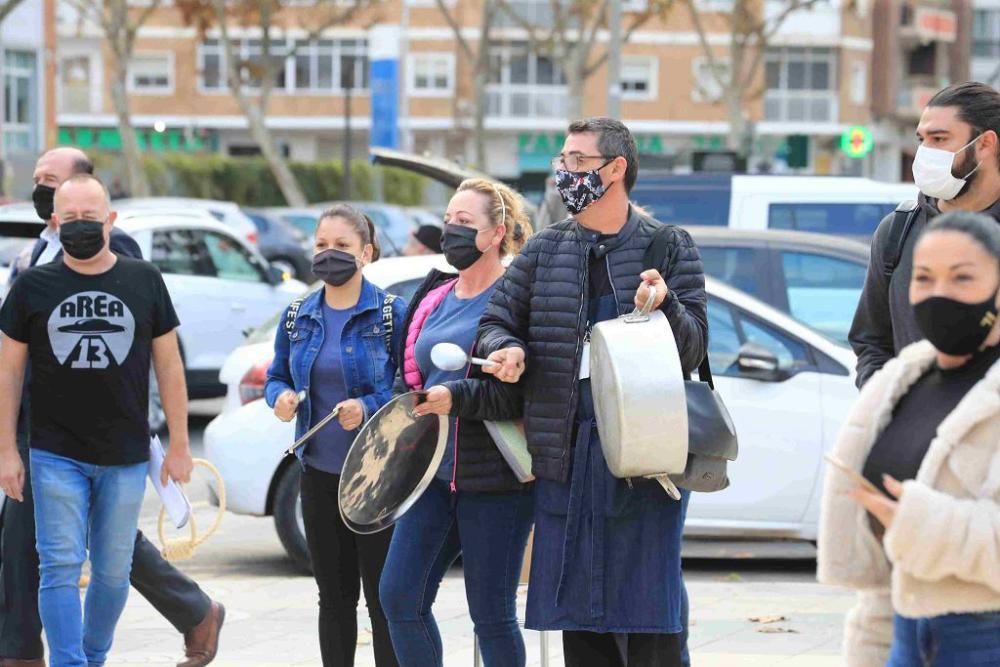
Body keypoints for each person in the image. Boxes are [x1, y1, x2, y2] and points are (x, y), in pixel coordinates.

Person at [476, 118, 708, 667]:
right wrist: (507, 349)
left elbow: (694, 349)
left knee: (651, 614)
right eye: (564, 161)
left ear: (616, 168)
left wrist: (666, 303)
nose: (566, 172)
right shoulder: (546, 249)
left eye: (579, 162)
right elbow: (496, 320)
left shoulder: (667, 245)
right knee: (578, 616)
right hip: (566, 452)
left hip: (646, 458)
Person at [0, 148, 223, 667]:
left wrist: (179, 447)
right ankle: (69, 662)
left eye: (90, 218)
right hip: (52, 452)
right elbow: (9, 372)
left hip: (123, 452)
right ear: (56, 222)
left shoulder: (143, 279)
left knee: (111, 570)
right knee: (56, 566)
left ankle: (92, 656)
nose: (80, 227)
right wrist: (8, 450)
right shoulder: (33, 284)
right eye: (69, 219)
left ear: (111, 220)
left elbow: (169, 367)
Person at [818, 211, 1000, 666]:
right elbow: (885, 569)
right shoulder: (903, 380)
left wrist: (919, 522)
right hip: (902, 631)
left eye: (962, 278)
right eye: (923, 277)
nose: (940, 294)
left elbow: (907, 524)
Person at [378, 179, 534, 667]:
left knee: (490, 613)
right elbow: (410, 373)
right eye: (449, 219)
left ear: (496, 233)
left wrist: (455, 397)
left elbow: (518, 394)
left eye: (465, 222)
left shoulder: (515, 297)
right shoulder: (435, 294)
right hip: (433, 475)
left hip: (496, 478)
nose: (451, 230)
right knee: (399, 597)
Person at [265, 204, 406, 667]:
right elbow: (276, 377)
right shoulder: (296, 316)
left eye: (341, 246)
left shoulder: (389, 313)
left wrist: (366, 406)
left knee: (384, 599)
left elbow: (410, 388)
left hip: (377, 476)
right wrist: (281, 398)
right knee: (333, 598)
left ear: (365, 252)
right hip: (319, 474)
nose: (329, 255)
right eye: (322, 245)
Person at [850, 81, 1000, 388]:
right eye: (922, 139)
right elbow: (871, 343)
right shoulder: (898, 231)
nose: (925, 152)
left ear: (985, 144)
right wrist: (889, 406)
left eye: (939, 139)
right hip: (918, 429)